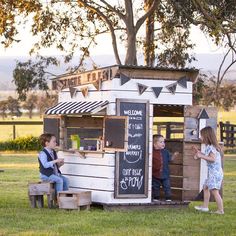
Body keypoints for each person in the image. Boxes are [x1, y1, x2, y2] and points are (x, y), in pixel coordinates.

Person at [192, 126, 224, 214]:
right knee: (205, 187)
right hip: (213, 173)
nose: (200, 137)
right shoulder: (209, 146)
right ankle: (205, 207)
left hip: (215, 173)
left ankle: (220, 210)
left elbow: (212, 159)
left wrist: (201, 156)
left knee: (214, 191)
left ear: (207, 136)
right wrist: (198, 152)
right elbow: (208, 156)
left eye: (201, 135)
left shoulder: (212, 147)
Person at [152, 134, 178, 202]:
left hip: (165, 174)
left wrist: (174, 156)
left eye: (163, 142)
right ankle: (156, 198)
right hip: (155, 174)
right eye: (161, 142)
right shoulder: (152, 152)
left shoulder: (166, 152)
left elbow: (170, 160)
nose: (163, 143)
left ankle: (168, 198)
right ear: (154, 144)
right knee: (155, 187)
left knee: (167, 186)